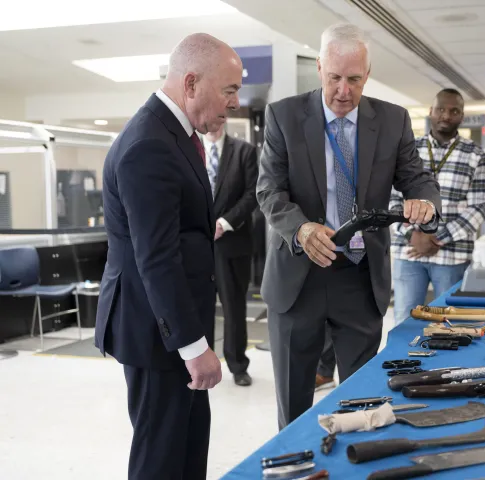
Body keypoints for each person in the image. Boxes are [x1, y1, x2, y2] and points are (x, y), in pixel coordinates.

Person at [256, 22, 441, 430]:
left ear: (368, 74)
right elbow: (270, 192)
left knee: (360, 402)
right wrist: (302, 229)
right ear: (319, 67)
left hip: (359, 278)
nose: (344, 91)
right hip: (298, 276)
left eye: (354, 79)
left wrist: (424, 201)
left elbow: (416, 177)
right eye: (335, 77)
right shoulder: (283, 116)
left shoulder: (392, 120)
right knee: (294, 404)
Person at [94, 33, 244, 480]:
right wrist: (194, 347)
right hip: (156, 335)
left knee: (188, 447)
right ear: (192, 83)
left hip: (172, 330)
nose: (234, 103)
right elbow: (156, 257)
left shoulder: (174, 134)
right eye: (229, 90)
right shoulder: (149, 145)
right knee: (161, 458)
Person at [389, 88, 485, 326]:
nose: (446, 115)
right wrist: (412, 235)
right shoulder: (407, 150)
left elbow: (478, 208)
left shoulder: (476, 155)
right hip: (408, 252)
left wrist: (436, 238)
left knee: (451, 323)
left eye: (454, 111)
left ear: (462, 116)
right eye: (441, 109)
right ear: (430, 112)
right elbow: (392, 199)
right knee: (405, 321)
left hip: (451, 255)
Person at [203, 125, 258, 387]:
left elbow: (252, 195)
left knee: (234, 308)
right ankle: (199, 364)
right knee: (197, 308)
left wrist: (224, 223)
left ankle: (238, 365)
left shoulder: (244, 151)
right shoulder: (191, 149)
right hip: (196, 245)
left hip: (232, 242)